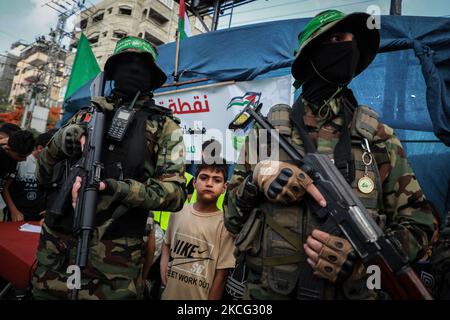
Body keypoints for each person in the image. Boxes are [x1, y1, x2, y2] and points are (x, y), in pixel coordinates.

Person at [224, 10, 435, 300]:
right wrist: (255, 181)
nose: (347, 46)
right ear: (309, 55)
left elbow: (420, 222)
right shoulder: (267, 134)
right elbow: (231, 220)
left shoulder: (378, 137)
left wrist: (365, 260)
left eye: (352, 41)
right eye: (336, 39)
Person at [32, 36, 186, 300]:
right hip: (58, 246)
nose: (133, 71)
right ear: (113, 72)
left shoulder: (163, 126)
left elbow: (175, 194)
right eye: (126, 64)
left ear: (151, 76)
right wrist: (59, 142)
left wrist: (115, 188)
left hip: (115, 258)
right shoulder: (85, 115)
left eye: (141, 65)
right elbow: (41, 176)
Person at [160, 159, 235, 300]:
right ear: (194, 182)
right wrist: (163, 263)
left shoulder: (225, 225)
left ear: (225, 187)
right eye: (204, 177)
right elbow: (167, 242)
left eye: (216, 180)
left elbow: (221, 276)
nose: (209, 183)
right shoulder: (178, 211)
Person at [2, 132, 52, 222]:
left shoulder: (49, 164)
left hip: (38, 213)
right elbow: (5, 187)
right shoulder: (14, 160)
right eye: (21, 156)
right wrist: (14, 211)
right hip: (18, 211)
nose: (24, 159)